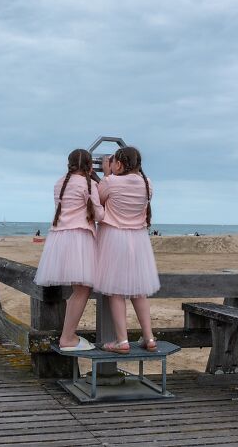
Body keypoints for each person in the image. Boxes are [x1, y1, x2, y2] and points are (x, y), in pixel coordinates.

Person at [34, 149, 104, 351]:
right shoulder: (88, 184)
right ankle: (67, 337)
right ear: (90, 166)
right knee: (82, 289)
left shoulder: (59, 183)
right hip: (79, 237)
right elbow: (99, 214)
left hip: (59, 237)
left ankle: (68, 335)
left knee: (78, 289)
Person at [95, 146, 160, 353]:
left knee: (116, 291)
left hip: (114, 238)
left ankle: (122, 341)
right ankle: (149, 337)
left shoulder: (110, 182)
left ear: (119, 164)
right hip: (138, 239)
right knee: (138, 290)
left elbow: (99, 201)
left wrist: (107, 175)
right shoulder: (147, 184)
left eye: (113, 162)